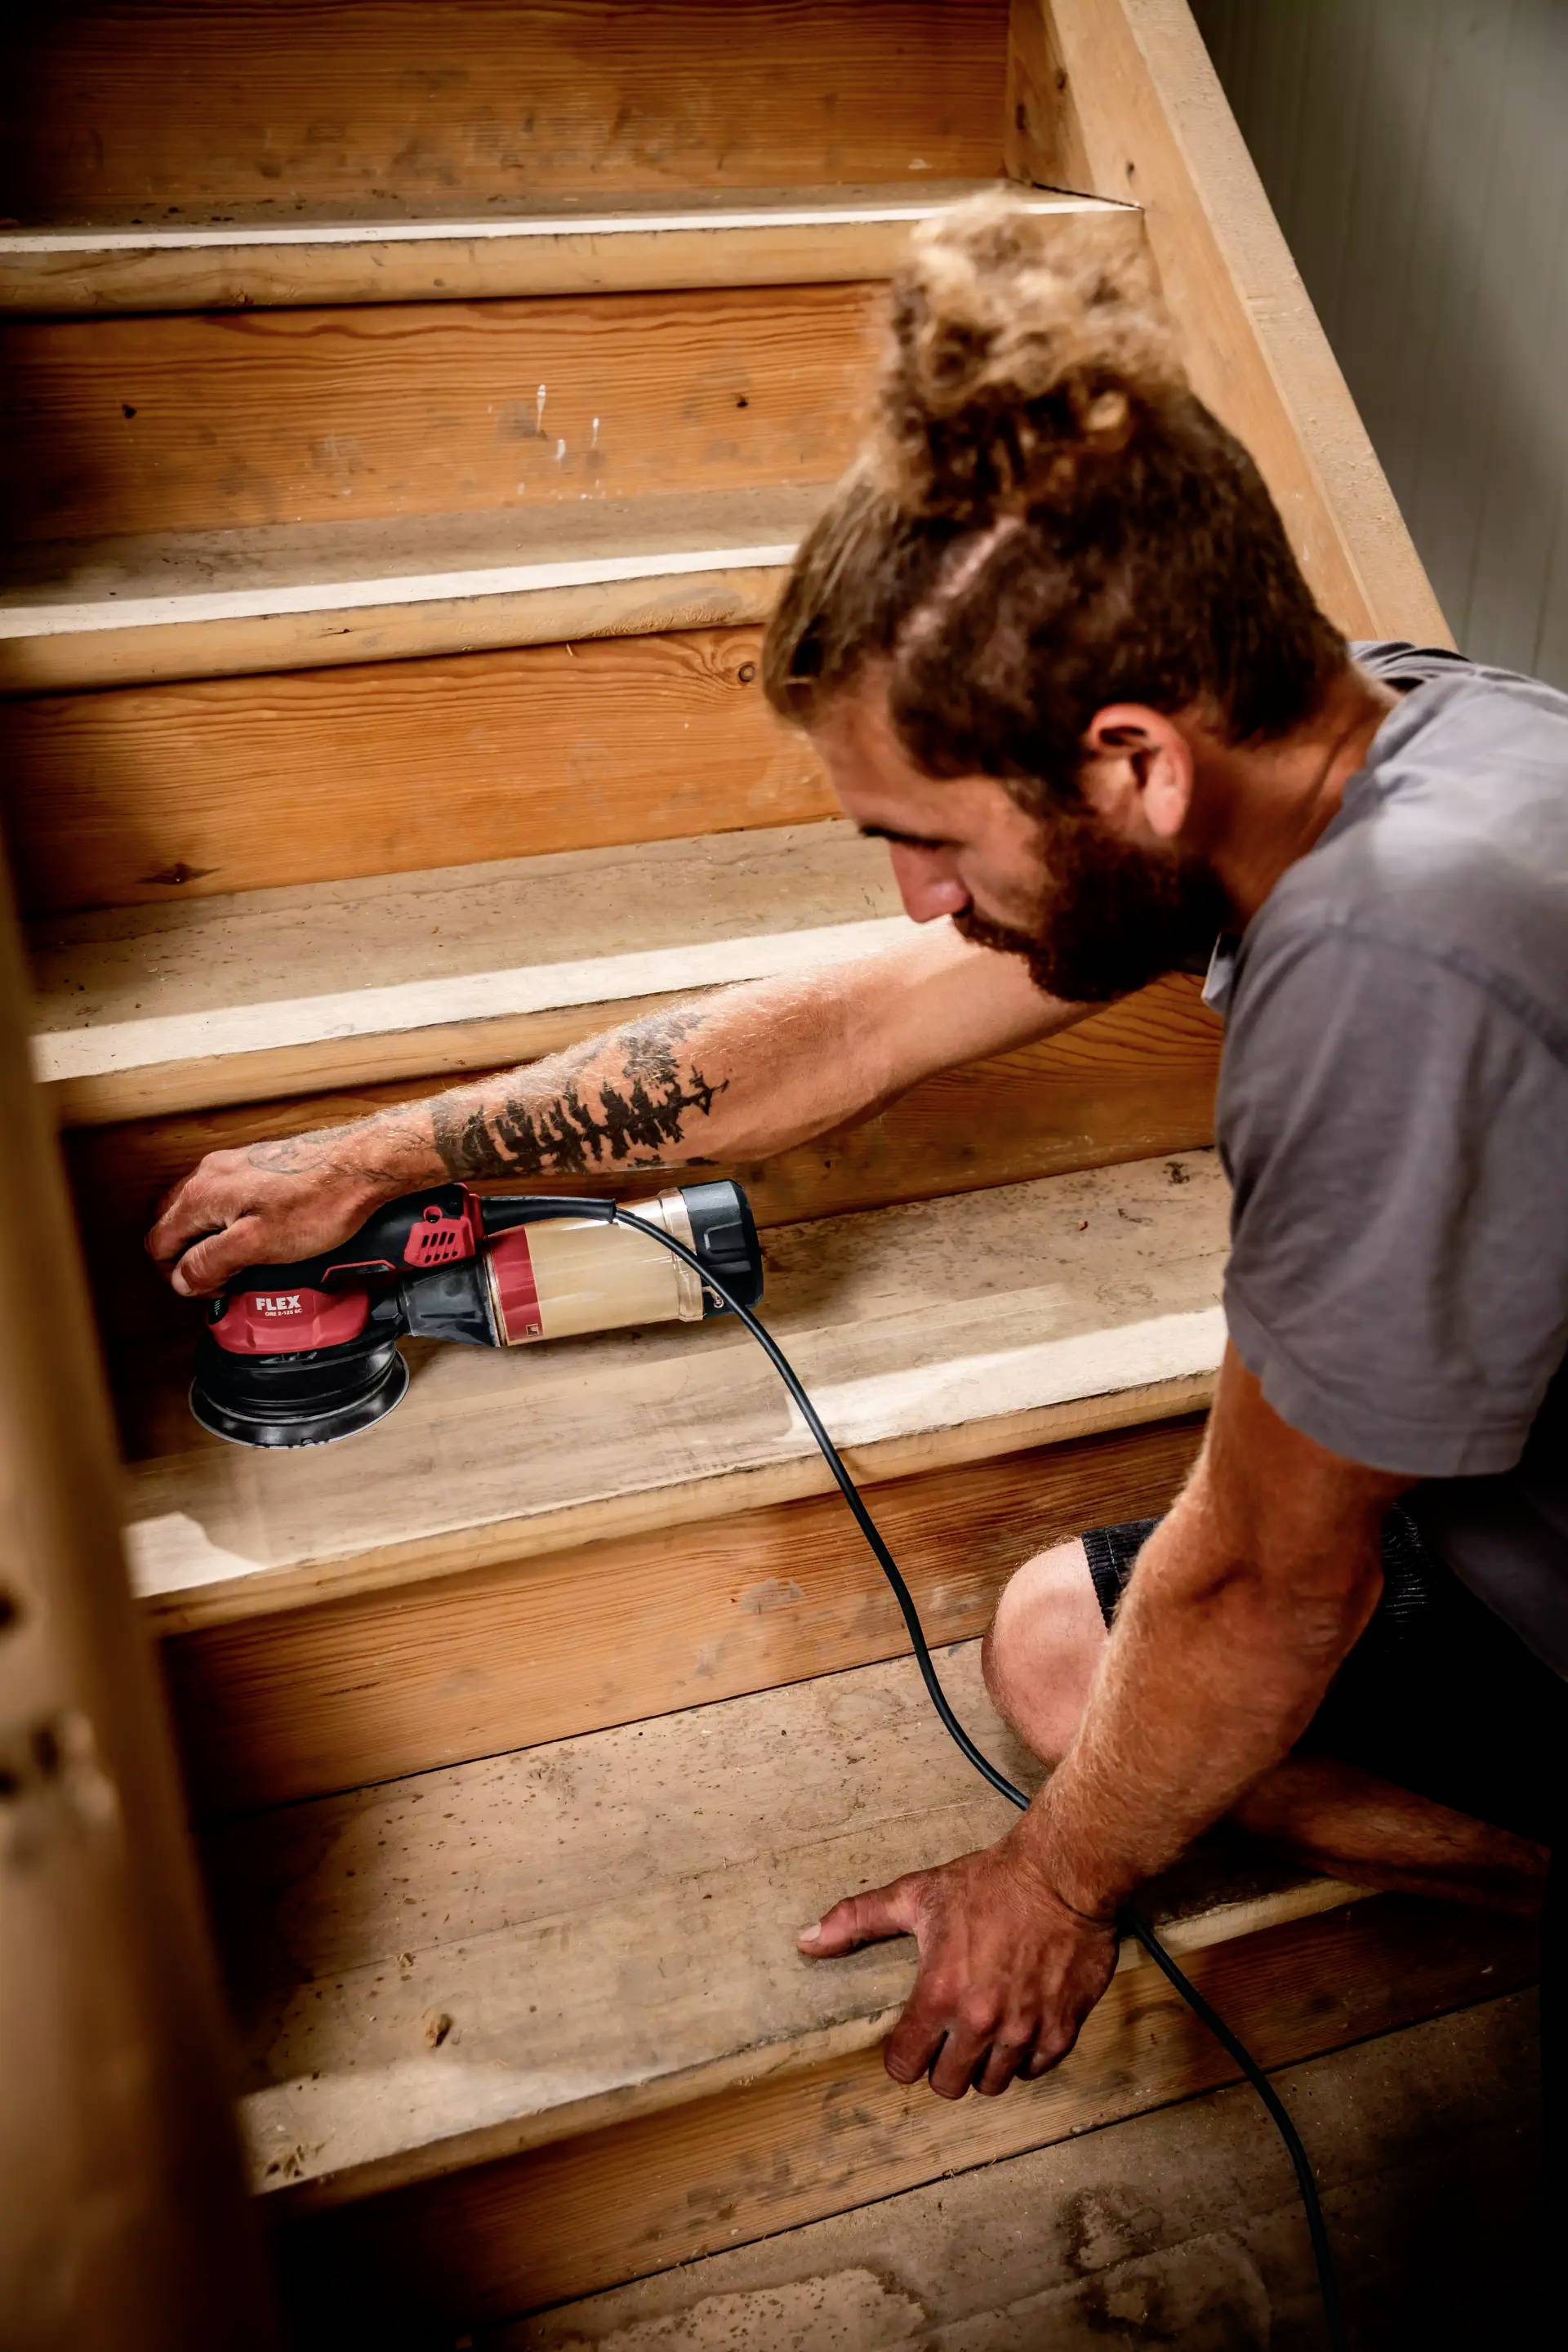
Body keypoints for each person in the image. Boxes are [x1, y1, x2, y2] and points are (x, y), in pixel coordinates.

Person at [148, 199, 1567, 2109]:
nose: (919, 899)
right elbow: (858, 1020)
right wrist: (392, 1154)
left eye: (933, 840)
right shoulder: (1405, 733)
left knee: (1088, 1667)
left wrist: (1056, 1876)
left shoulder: (1388, 974)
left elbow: (1265, 1587)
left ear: (1133, 762)